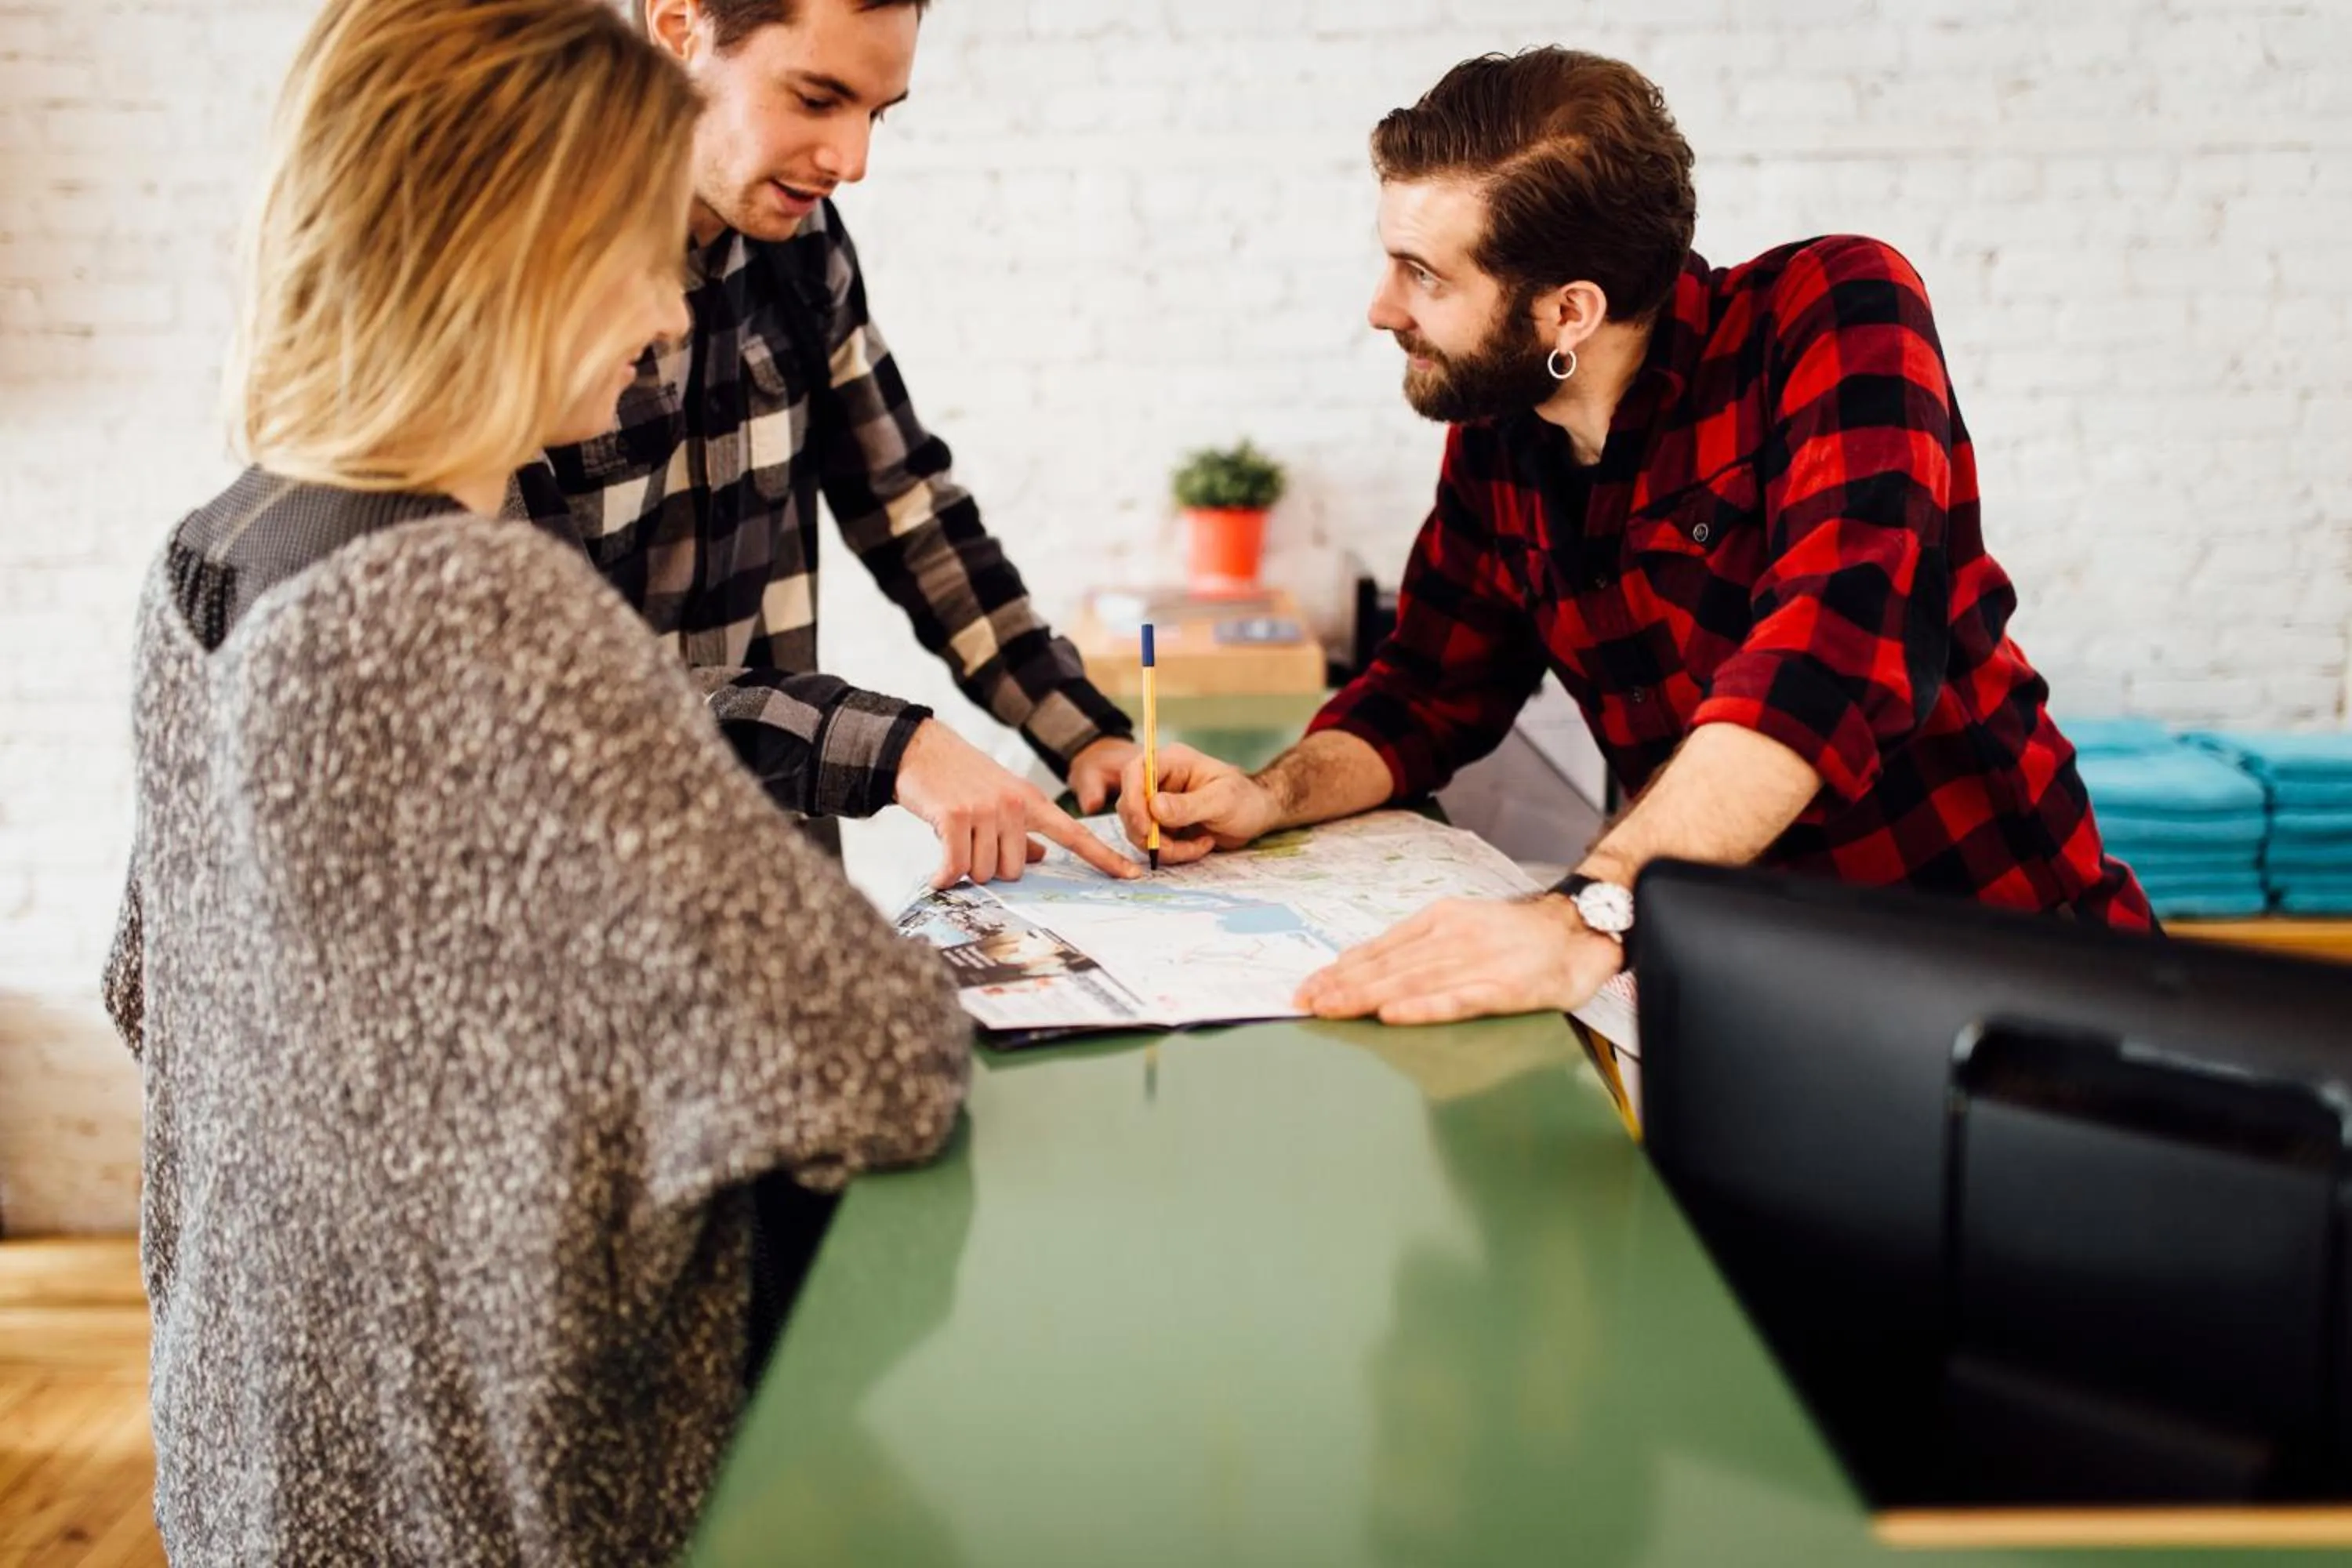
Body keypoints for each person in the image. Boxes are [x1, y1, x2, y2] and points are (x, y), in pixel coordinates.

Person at [100, 1, 970, 1560]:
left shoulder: (211, 555)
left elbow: (155, 993)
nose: (664, 312)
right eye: (643, 250)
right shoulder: (484, 606)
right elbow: (873, 1056)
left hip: (251, 1457)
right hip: (496, 1491)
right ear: (519, 251)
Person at [1120, 49, 2154, 1027]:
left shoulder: (1834, 310)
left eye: (1422, 274)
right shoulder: (1502, 435)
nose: (1383, 308)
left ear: (1569, 310)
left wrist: (1587, 913)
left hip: (1999, 971)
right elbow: (1425, 694)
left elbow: (1828, 655)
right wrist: (1269, 793)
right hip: (1746, 992)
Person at [509, 0, 1142, 891]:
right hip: (569, 884)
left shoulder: (801, 244)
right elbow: (546, 679)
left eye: (876, 113)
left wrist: (1090, 736)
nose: (853, 161)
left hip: (758, 861)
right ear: (678, 25)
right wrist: (896, 747)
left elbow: (908, 505)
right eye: (815, 99)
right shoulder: (505, 276)